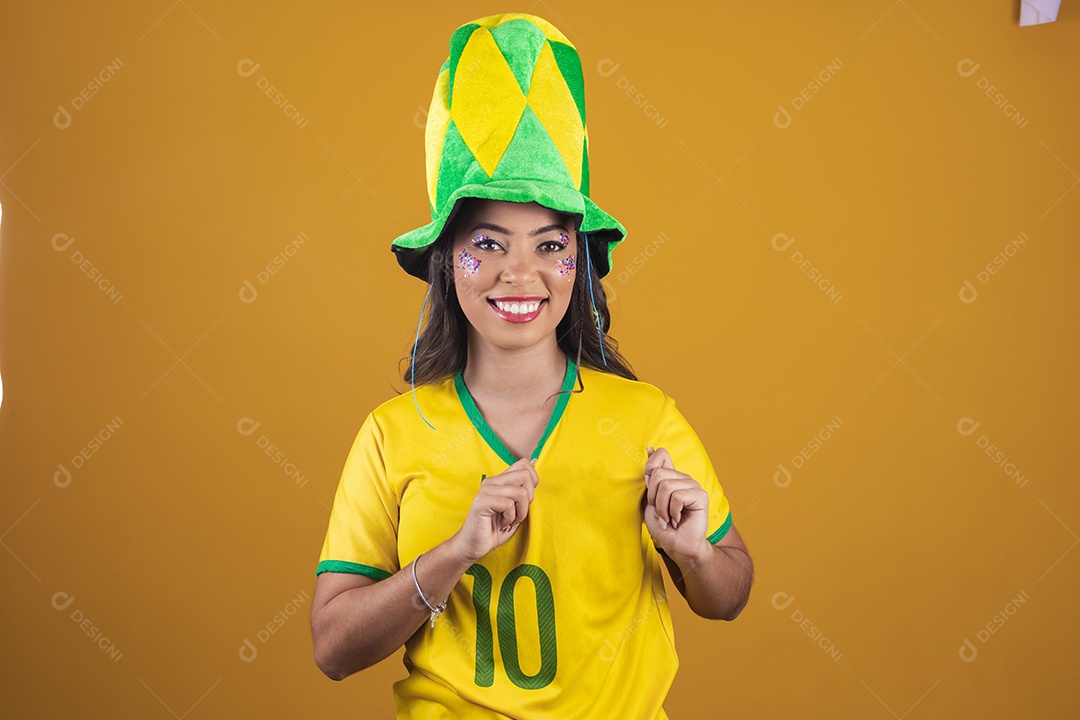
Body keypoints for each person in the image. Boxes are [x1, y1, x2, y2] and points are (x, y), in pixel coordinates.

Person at [310, 12, 754, 718]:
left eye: (550, 246)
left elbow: (729, 594)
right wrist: (454, 554)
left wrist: (693, 554)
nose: (521, 274)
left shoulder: (645, 419)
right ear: (446, 262)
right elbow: (333, 647)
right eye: (487, 243)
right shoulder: (394, 434)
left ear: (579, 264)